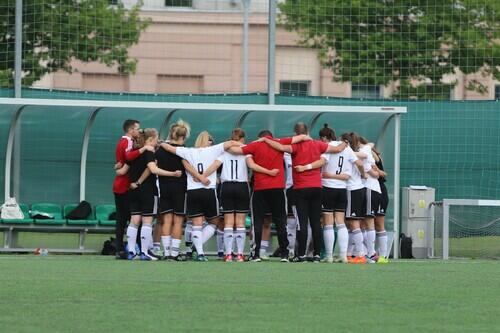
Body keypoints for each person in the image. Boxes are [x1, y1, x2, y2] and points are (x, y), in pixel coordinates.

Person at [260, 122, 347, 262]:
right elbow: (337, 149)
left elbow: (280, 146)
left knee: (302, 222)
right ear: (307, 131)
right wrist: (345, 142)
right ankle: (317, 254)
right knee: (315, 222)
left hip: (300, 188)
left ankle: (301, 255)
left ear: (296, 133)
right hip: (317, 188)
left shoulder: (296, 146)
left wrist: (266, 140)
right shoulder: (318, 144)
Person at [227, 130, 310, 262]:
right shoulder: (279, 142)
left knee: (257, 222)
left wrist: (229, 143)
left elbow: (234, 151)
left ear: (259, 137)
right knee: (281, 222)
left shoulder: (254, 145)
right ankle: (284, 254)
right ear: (272, 136)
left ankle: (255, 254)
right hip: (278, 189)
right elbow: (301, 137)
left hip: (260, 188)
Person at [160, 131, 241, 261]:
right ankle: (195, 248)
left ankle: (200, 253)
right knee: (214, 223)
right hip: (208, 190)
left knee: (196, 223)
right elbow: (230, 143)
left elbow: (170, 148)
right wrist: (246, 145)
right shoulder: (214, 150)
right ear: (208, 141)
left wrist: (161, 143)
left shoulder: (188, 151)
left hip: (193, 191)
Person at [201, 128, 278, 262]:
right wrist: (268, 171)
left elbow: (214, 166)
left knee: (229, 222)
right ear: (242, 139)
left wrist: (202, 176)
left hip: (227, 187)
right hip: (242, 186)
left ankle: (228, 254)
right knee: (241, 222)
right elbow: (252, 165)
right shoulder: (247, 150)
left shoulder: (224, 151)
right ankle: (241, 254)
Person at [118, 128, 183, 260]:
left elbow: (122, 171)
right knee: (147, 221)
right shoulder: (149, 152)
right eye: (156, 138)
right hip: (148, 190)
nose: (157, 141)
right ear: (150, 140)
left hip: (133, 190)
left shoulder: (134, 153)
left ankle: (131, 252)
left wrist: (122, 170)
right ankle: (144, 252)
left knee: (134, 220)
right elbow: (152, 169)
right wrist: (173, 173)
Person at [317, 124, 363, 263]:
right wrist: (363, 174)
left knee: (328, 223)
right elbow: (359, 163)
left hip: (328, 187)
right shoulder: (346, 147)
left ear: (324, 138)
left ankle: (329, 256)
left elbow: (322, 162)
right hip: (342, 189)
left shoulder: (328, 147)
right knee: (341, 222)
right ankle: (343, 256)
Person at [112, 119, 152, 259]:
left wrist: (119, 167)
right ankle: (133, 248)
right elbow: (128, 158)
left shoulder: (121, 142)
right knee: (132, 219)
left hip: (120, 184)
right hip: (125, 185)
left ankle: (124, 248)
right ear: (130, 130)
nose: (139, 132)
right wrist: (143, 149)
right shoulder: (128, 142)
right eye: (137, 129)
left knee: (124, 219)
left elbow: (121, 163)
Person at [155, 120, 190, 261]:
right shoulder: (184, 150)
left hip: (164, 186)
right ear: (184, 136)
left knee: (166, 220)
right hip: (179, 187)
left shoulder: (161, 149)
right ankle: (175, 253)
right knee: (178, 220)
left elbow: (155, 165)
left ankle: (167, 252)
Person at [358, 136, 381, 264]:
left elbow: (376, 173)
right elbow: (377, 173)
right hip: (371, 189)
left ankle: (370, 253)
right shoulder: (366, 151)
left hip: (370, 189)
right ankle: (367, 253)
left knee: (367, 222)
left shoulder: (364, 151)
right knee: (364, 222)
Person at [372, 145, 389, 264]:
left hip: (380, 191)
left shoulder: (373, 155)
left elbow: (383, 174)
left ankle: (383, 256)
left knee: (378, 223)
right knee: (369, 223)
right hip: (372, 191)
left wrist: (377, 171)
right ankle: (372, 254)